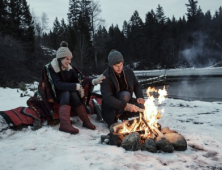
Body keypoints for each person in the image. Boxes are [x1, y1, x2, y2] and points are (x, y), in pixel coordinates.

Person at [48, 41, 105, 134]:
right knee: (66, 92)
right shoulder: (52, 68)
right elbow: (58, 85)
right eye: (67, 59)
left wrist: (94, 81)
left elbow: (80, 79)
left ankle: (85, 121)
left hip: (67, 91)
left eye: (70, 59)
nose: (69, 61)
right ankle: (64, 124)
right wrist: (76, 86)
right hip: (55, 92)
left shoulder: (69, 68)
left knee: (73, 94)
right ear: (60, 58)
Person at [101, 49, 145, 127]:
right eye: (116, 66)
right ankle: (117, 117)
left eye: (121, 64)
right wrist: (126, 106)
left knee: (142, 107)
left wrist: (140, 97)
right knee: (125, 95)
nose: (119, 68)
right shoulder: (106, 76)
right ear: (111, 65)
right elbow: (107, 98)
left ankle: (124, 116)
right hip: (112, 108)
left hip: (127, 102)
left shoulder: (128, 71)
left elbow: (136, 85)